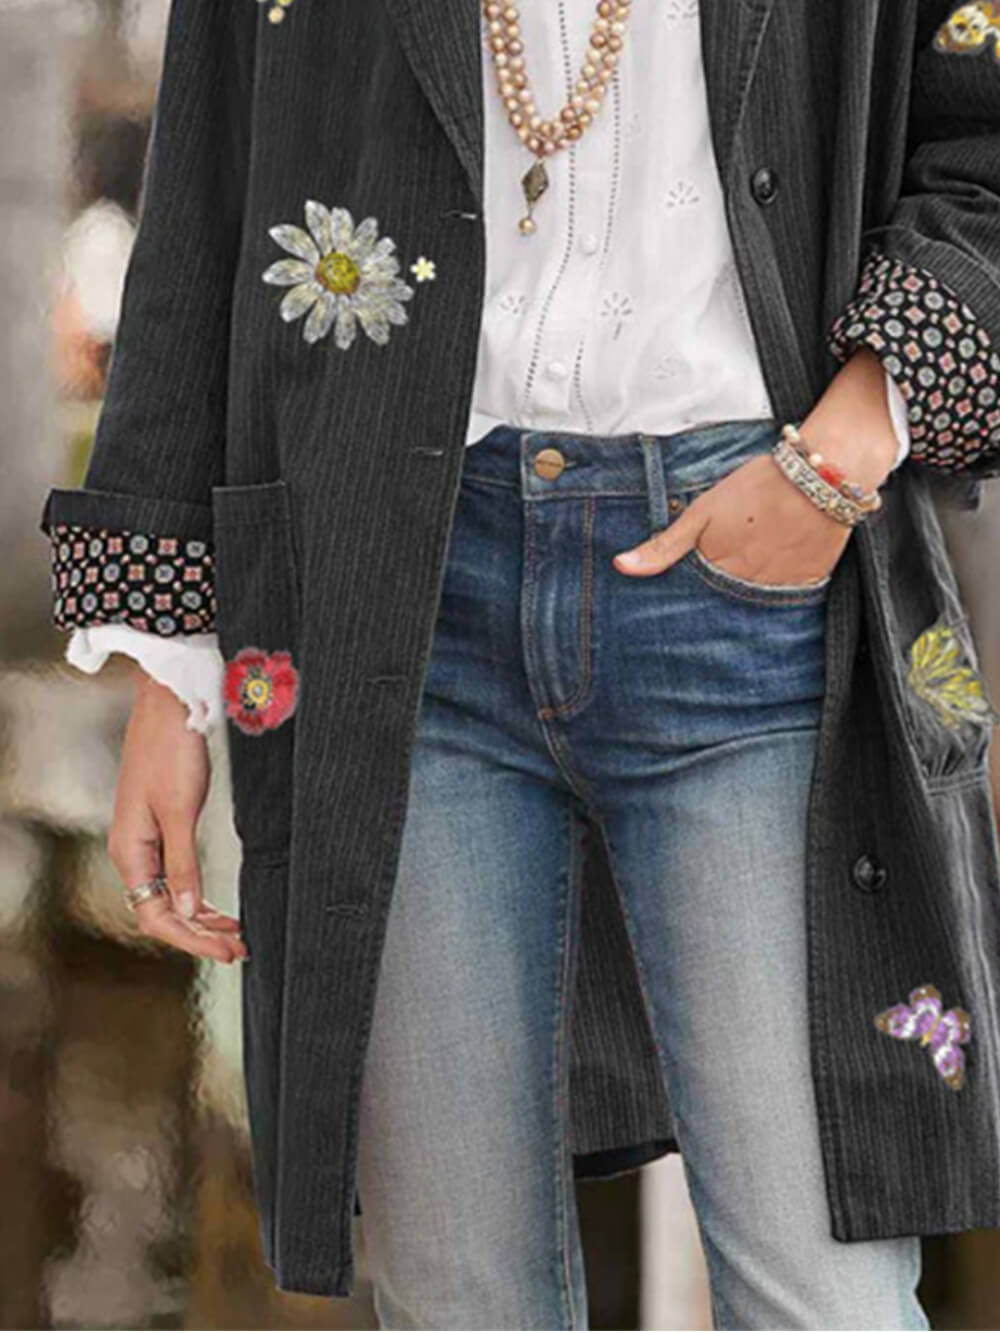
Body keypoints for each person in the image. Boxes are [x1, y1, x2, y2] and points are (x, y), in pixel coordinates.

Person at [39, 1, 1000, 1327]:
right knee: (457, 1297)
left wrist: (852, 437)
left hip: (753, 585)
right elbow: (212, 173)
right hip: (397, 604)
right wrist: (172, 659)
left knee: (818, 1297)